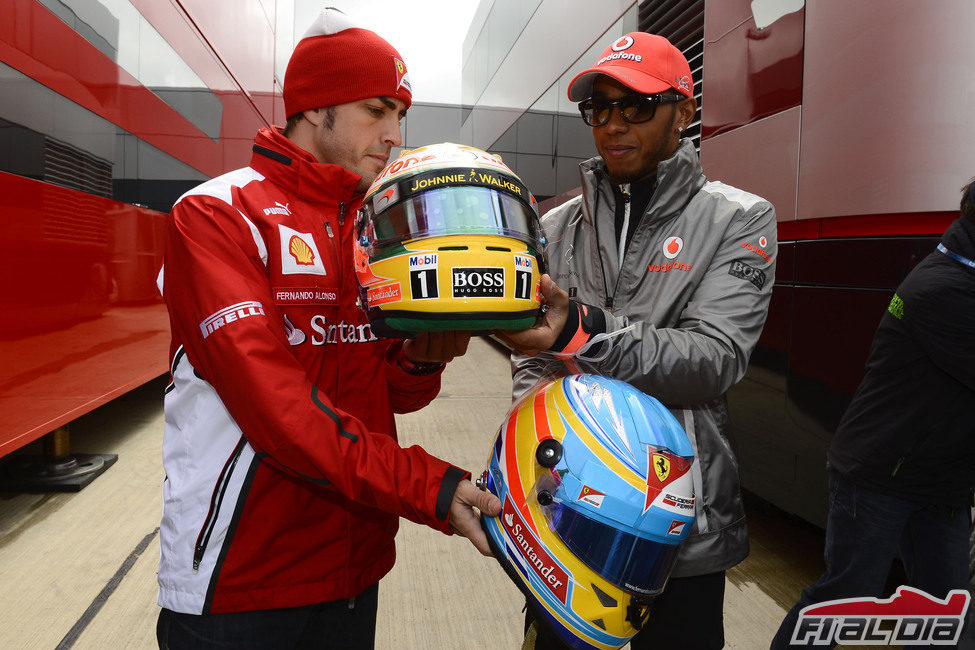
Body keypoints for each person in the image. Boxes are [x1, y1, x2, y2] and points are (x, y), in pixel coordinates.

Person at [154, 9, 500, 649]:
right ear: (314, 107)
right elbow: (279, 413)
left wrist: (422, 360)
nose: (395, 133)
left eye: (401, 114)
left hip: (353, 571)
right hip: (240, 583)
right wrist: (428, 486)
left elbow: (387, 394)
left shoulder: (375, 227)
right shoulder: (216, 214)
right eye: (377, 109)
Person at [496, 31, 777, 649]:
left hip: (683, 529)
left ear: (685, 110)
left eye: (637, 106)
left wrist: (583, 331)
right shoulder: (553, 227)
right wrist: (536, 462)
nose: (614, 124)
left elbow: (715, 358)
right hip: (564, 522)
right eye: (599, 107)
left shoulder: (740, 218)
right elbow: (533, 360)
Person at [770, 181, 975, 649]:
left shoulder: (957, 274)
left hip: (938, 479)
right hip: (880, 473)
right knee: (846, 595)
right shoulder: (945, 289)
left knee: (949, 608)